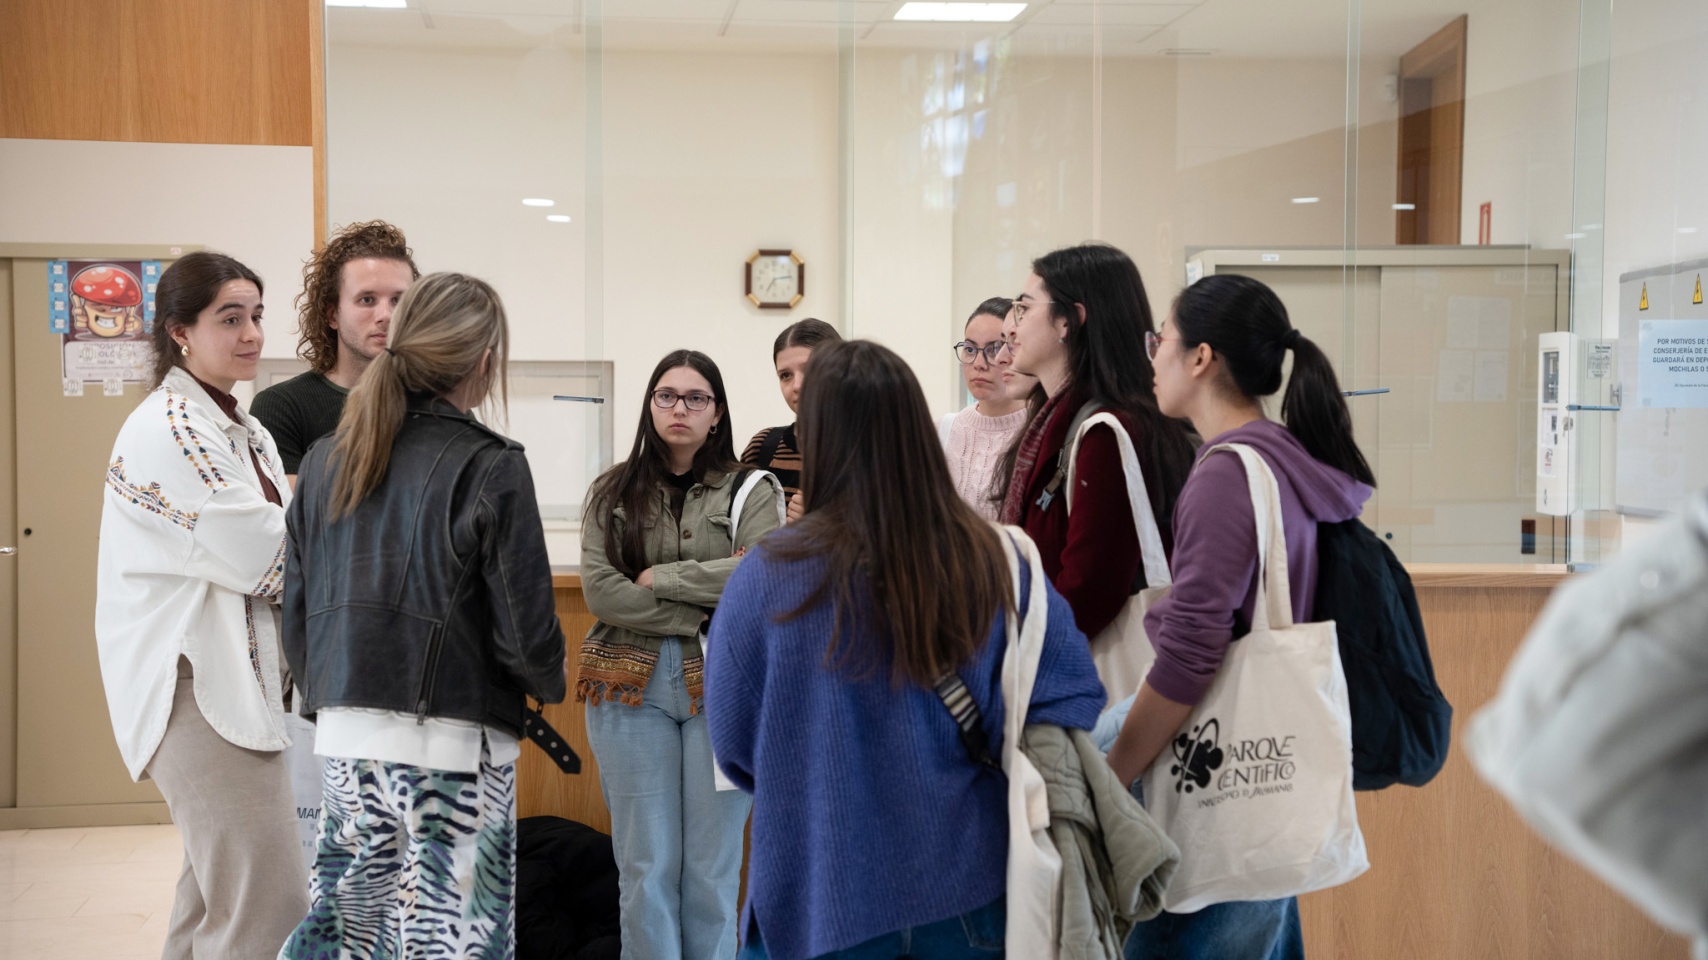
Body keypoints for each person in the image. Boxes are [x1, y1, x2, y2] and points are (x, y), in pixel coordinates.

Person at [705, 339, 1107, 960]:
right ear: (918, 430)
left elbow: (733, 748)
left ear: (820, 440)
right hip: (970, 890)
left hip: (819, 898)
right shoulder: (997, 559)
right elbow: (1071, 697)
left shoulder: (767, 575)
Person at [278, 272, 566, 958]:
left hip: (346, 737)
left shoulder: (324, 461)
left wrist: (334, 702)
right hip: (454, 748)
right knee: (451, 939)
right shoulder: (491, 464)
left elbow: (297, 610)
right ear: (485, 361)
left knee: (348, 936)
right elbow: (526, 638)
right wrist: (546, 684)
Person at [1104, 273, 1374, 960]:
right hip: (1268, 762)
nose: (1152, 358)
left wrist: (1117, 768)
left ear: (1201, 358)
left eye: (1159, 341)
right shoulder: (1285, 460)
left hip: (1215, 763)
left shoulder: (1229, 473)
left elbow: (1194, 651)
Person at [95, 251, 308, 958]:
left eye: (255, 316)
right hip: (197, 688)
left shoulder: (245, 429)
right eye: (229, 318)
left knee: (210, 903)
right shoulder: (172, 429)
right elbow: (268, 558)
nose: (250, 333)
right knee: (266, 907)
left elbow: (279, 536)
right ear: (180, 330)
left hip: (233, 682)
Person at [578, 350, 784, 960]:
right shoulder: (611, 488)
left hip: (726, 685)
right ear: (649, 405)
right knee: (646, 865)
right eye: (666, 395)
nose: (680, 408)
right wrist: (702, 604)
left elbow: (763, 576)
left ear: (716, 413)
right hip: (628, 686)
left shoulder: (753, 488)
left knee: (713, 868)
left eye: (696, 398)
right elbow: (601, 590)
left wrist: (661, 578)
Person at [996, 243, 1195, 658]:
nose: (1011, 327)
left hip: (1082, 672)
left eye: (1024, 308)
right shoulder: (1054, 420)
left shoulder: (1106, 431)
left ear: (1069, 321)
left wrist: (1015, 655)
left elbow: (1090, 590)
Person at [252, 219, 419, 485]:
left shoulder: (439, 404)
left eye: (398, 300)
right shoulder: (283, 406)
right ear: (332, 315)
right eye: (367, 300)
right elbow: (297, 514)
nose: (386, 315)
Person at [937, 297, 1030, 521]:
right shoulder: (943, 430)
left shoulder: (1036, 432)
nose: (979, 363)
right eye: (970, 349)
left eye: (994, 349)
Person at [741, 318, 841, 521]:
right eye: (785, 375)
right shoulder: (762, 447)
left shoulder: (869, 450)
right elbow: (740, 536)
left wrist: (821, 524)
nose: (796, 385)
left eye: (811, 368)